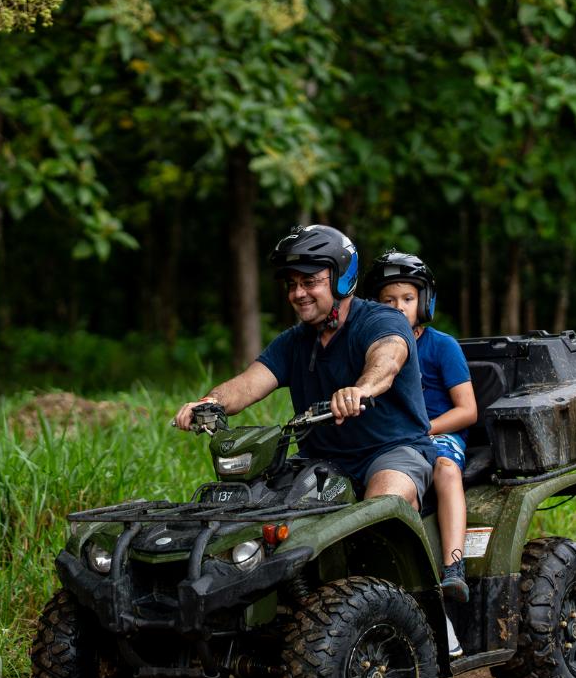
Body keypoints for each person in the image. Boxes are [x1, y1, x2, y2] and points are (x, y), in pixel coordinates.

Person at [173, 225, 436, 507]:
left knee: (383, 504)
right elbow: (248, 384)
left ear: (341, 279)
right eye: (292, 284)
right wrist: (210, 401)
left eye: (309, 282)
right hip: (320, 460)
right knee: (251, 506)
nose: (298, 293)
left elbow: (387, 358)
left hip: (392, 452)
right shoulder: (294, 342)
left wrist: (360, 391)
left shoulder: (382, 320)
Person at [367, 251, 477, 606]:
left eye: (408, 299)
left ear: (425, 301)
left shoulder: (442, 346)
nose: (399, 307)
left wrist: (425, 428)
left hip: (438, 435)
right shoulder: (375, 352)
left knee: (445, 468)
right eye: (389, 300)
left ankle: (453, 567)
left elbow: (468, 410)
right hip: (393, 441)